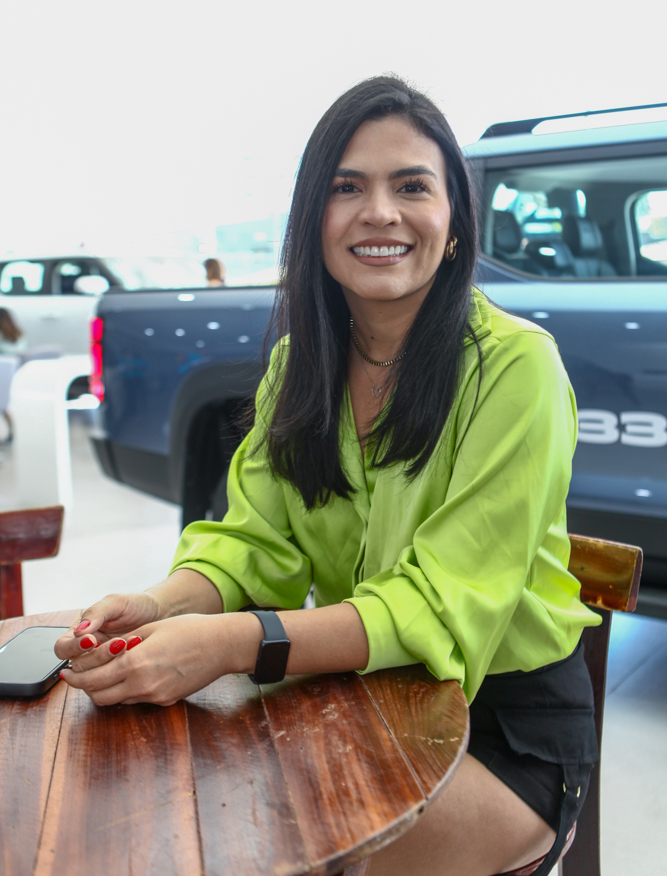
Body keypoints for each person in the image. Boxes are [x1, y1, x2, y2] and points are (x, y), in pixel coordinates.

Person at [56, 77, 600, 876]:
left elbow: (435, 608)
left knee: (265, 853)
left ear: (454, 221)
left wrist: (230, 645)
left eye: (410, 186)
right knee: (164, 813)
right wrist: (158, 605)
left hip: (505, 733)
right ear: (313, 220)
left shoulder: (517, 368)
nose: (379, 212)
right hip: (363, 697)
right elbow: (253, 546)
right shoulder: (295, 368)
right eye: (347, 188)